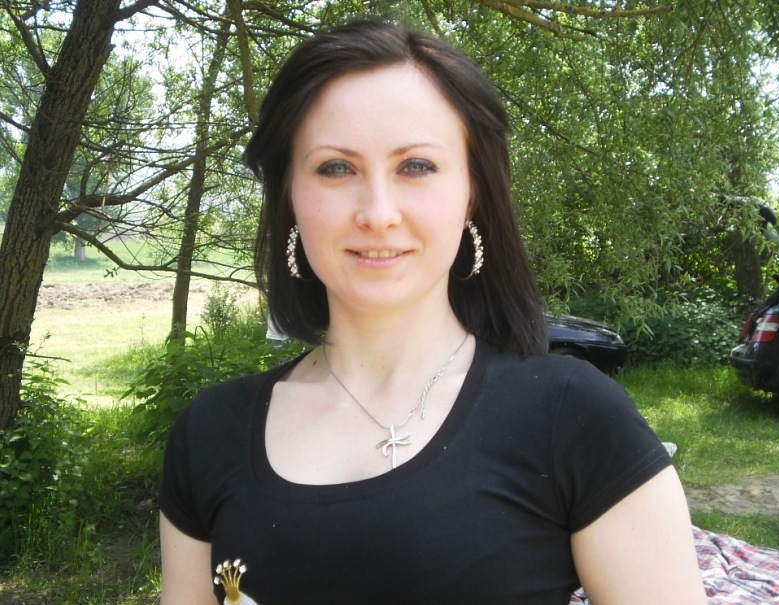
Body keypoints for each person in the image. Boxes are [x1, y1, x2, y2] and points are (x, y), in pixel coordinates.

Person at [158, 20, 707, 605]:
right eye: (335, 167)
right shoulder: (208, 433)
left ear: (473, 192)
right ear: (290, 194)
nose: (378, 213)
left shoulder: (574, 417)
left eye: (416, 166)